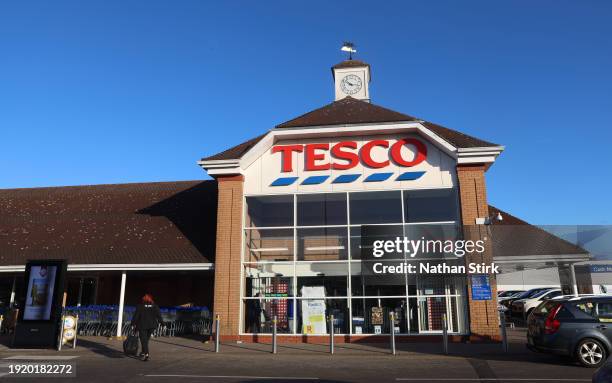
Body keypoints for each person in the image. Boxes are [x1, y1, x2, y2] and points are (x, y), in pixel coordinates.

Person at [131, 294, 162, 361]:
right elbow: (159, 316)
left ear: (143, 300)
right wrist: (163, 324)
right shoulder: (154, 306)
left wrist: (132, 324)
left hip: (142, 326)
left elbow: (136, 316)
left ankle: (146, 354)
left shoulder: (140, 306)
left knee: (143, 340)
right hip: (152, 326)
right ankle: (142, 352)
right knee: (145, 340)